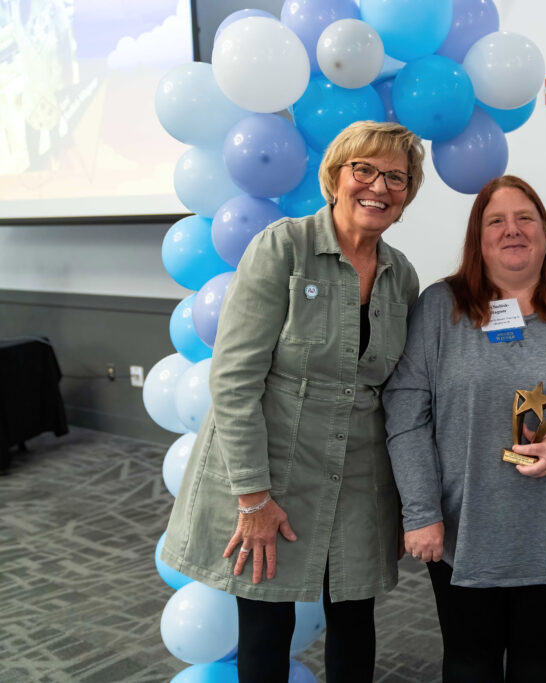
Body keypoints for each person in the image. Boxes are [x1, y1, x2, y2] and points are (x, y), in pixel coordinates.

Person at [162, 121, 425, 682]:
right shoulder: (283, 247)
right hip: (270, 470)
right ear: (336, 177)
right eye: (364, 170)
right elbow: (234, 382)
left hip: (357, 474)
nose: (378, 186)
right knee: (266, 627)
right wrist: (253, 498)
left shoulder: (402, 277)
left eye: (396, 178)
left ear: (407, 195)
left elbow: (399, 392)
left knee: (355, 620)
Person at [384, 175, 546, 683]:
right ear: (477, 240)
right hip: (463, 528)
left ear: (545, 232)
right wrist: (420, 512)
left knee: (541, 661)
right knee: (469, 661)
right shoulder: (440, 308)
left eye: (526, 218)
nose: (512, 230)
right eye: (495, 221)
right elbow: (406, 416)